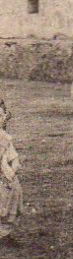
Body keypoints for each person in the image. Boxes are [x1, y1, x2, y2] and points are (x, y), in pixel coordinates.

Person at [0, 100, 19, 245]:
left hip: (5, 173)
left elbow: (14, 158)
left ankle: (4, 231)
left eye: (2, 116)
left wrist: (12, 172)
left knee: (13, 189)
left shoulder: (4, 138)